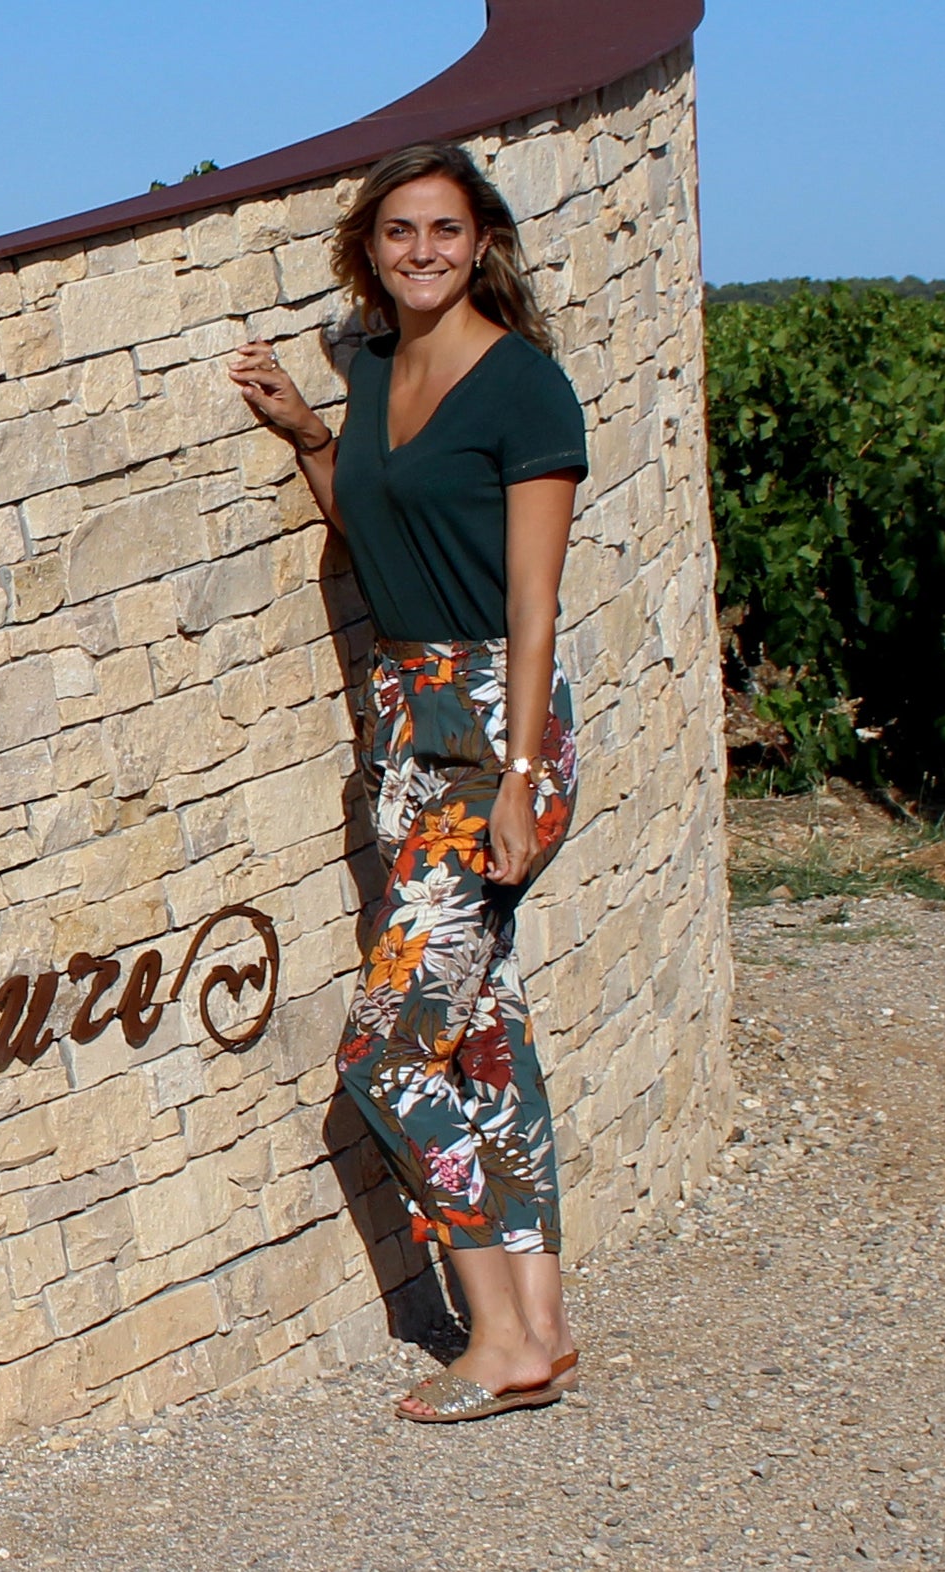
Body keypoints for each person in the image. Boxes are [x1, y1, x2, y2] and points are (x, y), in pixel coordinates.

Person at [226, 143, 591, 1423]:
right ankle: (541, 1318)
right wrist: (313, 437)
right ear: (368, 250)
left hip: (494, 725)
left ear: (483, 239)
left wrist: (520, 771)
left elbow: (536, 603)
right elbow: (374, 531)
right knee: (481, 1025)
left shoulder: (525, 391)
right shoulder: (375, 369)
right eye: (398, 232)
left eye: (444, 228)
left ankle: (493, 1335)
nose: (422, 250)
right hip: (399, 723)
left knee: (386, 1052)